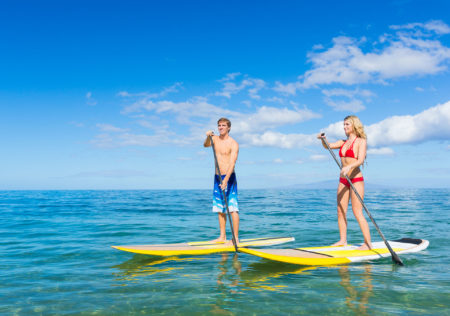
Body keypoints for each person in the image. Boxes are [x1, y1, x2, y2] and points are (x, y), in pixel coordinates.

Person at [318, 115, 372, 250]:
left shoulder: (361, 141)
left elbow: (360, 160)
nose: (344, 127)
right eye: (344, 125)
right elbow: (328, 147)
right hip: (343, 180)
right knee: (340, 210)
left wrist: (349, 167)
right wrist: (323, 140)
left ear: (354, 125)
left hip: (356, 179)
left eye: (347, 124)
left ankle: (367, 243)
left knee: (357, 211)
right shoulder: (342, 142)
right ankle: (343, 240)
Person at [204, 118, 240, 244]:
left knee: (232, 208)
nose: (221, 128)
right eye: (219, 125)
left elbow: (232, 163)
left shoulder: (233, 143)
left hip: (229, 178)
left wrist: (226, 180)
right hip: (217, 177)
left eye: (223, 125)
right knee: (220, 208)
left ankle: (235, 238)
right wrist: (208, 136)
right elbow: (206, 145)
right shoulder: (214, 139)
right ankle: (222, 237)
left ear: (229, 127)